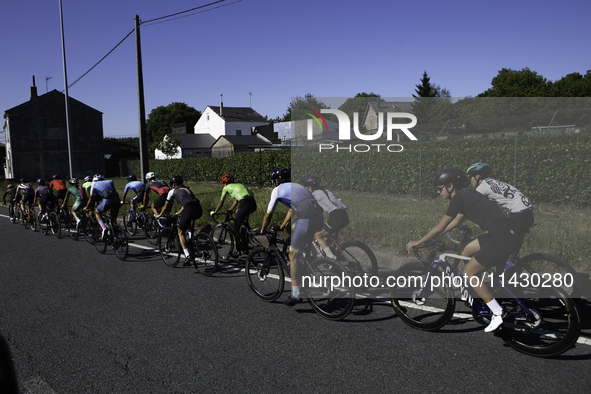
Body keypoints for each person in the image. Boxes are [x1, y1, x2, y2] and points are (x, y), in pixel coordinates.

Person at [405, 168, 524, 333]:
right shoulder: (467, 196)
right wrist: (430, 237)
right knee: (465, 250)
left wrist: (419, 241)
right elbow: (453, 223)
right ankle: (480, 291)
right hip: (506, 232)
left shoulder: (458, 199)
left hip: (502, 236)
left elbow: (440, 227)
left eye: (440, 188)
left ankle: (498, 313)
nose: (438, 191)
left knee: (469, 273)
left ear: (451, 186)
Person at [260, 167, 324, 306]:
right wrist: (283, 226)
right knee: (292, 228)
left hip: (305, 219)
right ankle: (307, 261)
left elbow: (268, 215)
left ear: (277, 181)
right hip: (319, 217)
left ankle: (296, 294)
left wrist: (262, 230)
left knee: (293, 256)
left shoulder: (277, 190)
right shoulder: (298, 186)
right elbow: (292, 209)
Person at [155, 175, 203, 265]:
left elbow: (166, 206)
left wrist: (159, 215)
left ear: (172, 185)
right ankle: (192, 238)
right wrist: (179, 213)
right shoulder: (186, 189)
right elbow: (187, 203)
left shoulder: (172, 191)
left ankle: (187, 255)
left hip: (189, 208)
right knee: (188, 224)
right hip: (198, 208)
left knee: (180, 232)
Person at [303, 175, 349, 259]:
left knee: (318, 235)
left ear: (310, 187)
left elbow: (311, 210)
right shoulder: (325, 191)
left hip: (336, 216)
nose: (306, 190)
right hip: (344, 216)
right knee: (325, 232)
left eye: (306, 187)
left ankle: (331, 258)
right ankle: (331, 249)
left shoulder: (313, 195)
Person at [211, 174, 257, 255]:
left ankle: (238, 249)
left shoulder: (226, 188)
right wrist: (230, 210)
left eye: (223, 184)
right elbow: (236, 200)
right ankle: (247, 231)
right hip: (252, 203)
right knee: (237, 212)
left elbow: (221, 202)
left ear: (225, 183)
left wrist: (215, 211)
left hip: (244, 203)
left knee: (236, 227)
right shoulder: (239, 185)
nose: (223, 185)